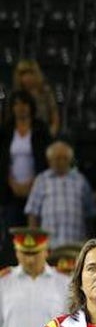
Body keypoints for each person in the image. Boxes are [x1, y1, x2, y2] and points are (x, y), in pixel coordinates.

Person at [25, 141, 96, 247]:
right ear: (49, 160)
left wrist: (88, 241)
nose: (61, 162)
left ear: (70, 160)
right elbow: (33, 213)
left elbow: (90, 213)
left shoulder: (80, 180)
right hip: (48, 245)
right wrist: (35, 242)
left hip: (76, 244)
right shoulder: (41, 180)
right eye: (57, 158)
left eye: (65, 158)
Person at [0, 91, 51, 240]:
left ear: (30, 107)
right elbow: (3, 160)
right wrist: (11, 182)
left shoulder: (40, 129)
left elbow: (44, 159)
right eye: (16, 104)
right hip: (12, 190)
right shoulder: (7, 130)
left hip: (36, 187)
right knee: (13, 233)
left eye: (24, 104)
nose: (20, 107)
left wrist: (33, 183)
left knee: (35, 234)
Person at [12, 59, 60, 137]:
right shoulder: (16, 95)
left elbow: (54, 117)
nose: (27, 77)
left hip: (43, 134)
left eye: (30, 73)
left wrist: (51, 133)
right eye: (23, 74)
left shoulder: (45, 92)